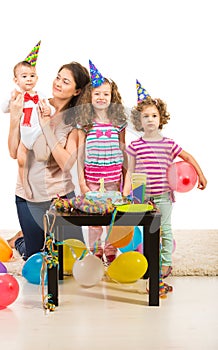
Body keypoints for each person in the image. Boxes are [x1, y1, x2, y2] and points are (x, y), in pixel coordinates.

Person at [123, 80, 207, 278]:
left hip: (163, 196)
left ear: (161, 119)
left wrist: (201, 175)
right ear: (139, 121)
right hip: (142, 196)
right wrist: (127, 193)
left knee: (165, 230)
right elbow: (130, 171)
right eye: (146, 116)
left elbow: (187, 157)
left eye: (154, 115)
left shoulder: (169, 144)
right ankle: (149, 262)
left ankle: (166, 263)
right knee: (146, 231)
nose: (150, 119)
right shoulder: (135, 146)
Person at [7, 61, 90, 260]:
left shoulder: (75, 123)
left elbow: (66, 164)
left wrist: (46, 126)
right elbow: (12, 151)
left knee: (74, 258)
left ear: (77, 91)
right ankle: (21, 240)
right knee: (38, 257)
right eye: (58, 77)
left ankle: (30, 235)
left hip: (60, 197)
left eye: (66, 81)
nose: (58, 83)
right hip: (30, 197)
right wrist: (14, 118)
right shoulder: (36, 103)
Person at [76, 60, 128, 264]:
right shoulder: (85, 123)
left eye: (106, 94)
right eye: (97, 93)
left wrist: (126, 182)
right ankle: (96, 251)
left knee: (112, 218)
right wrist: (81, 183)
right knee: (94, 219)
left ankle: (111, 249)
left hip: (114, 177)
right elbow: (80, 156)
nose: (101, 97)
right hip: (92, 178)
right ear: (90, 96)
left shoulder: (118, 123)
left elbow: (124, 153)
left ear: (112, 97)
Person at [2, 41, 55, 198]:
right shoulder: (17, 97)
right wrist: (10, 100)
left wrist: (49, 110)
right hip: (24, 139)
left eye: (32, 76)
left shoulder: (40, 96)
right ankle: (25, 184)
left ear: (37, 78)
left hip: (38, 134)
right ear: (16, 80)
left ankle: (42, 182)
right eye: (24, 76)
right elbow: (4, 109)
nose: (29, 79)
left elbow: (51, 108)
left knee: (42, 157)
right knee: (21, 160)